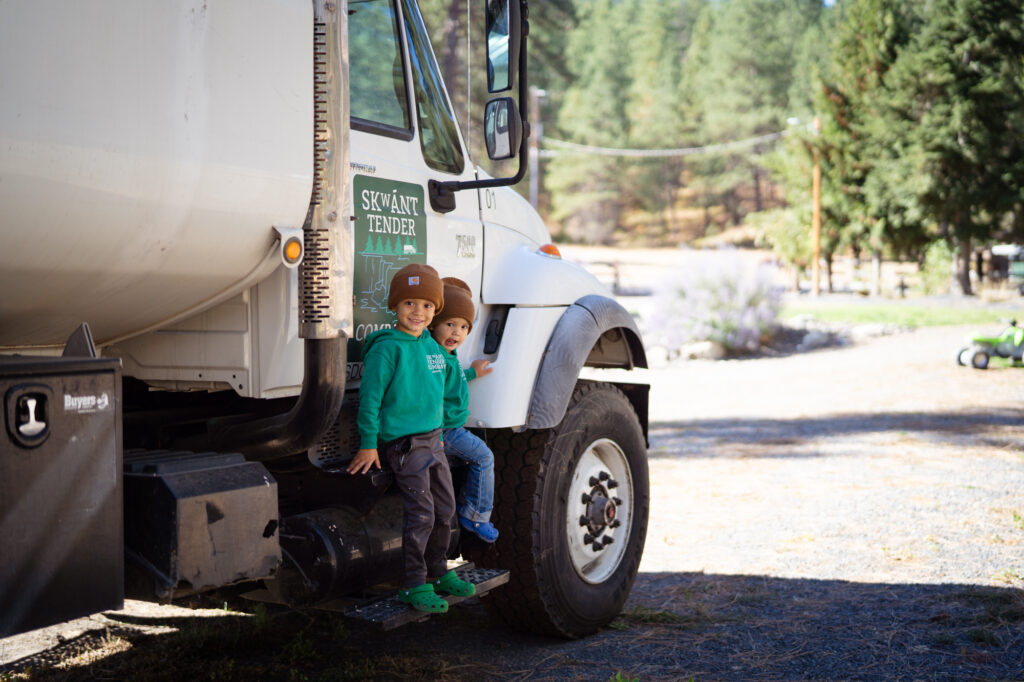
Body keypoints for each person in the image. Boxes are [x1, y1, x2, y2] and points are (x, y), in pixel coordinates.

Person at [347, 264, 475, 614]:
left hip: (434, 442)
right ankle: (413, 584)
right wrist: (369, 443)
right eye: (409, 304)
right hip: (404, 445)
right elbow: (370, 398)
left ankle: (438, 573)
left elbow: (446, 391)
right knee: (421, 515)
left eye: (427, 306)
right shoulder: (387, 348)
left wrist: (446, 429)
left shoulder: (434, 349)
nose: (418, 312)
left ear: (436, 311)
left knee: (445, 511)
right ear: (395, 306)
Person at [430, 277, 499, 543]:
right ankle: (475, 515)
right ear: (435, 323)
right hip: (445, 430)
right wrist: (436, 434)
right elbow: (432, 398)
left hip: (450, 428)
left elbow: (454, 380)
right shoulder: (436, 358)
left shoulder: (448, 355)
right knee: (484, 458)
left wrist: (473, 372)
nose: (456, 333)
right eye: (450, 324)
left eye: (463, 327)